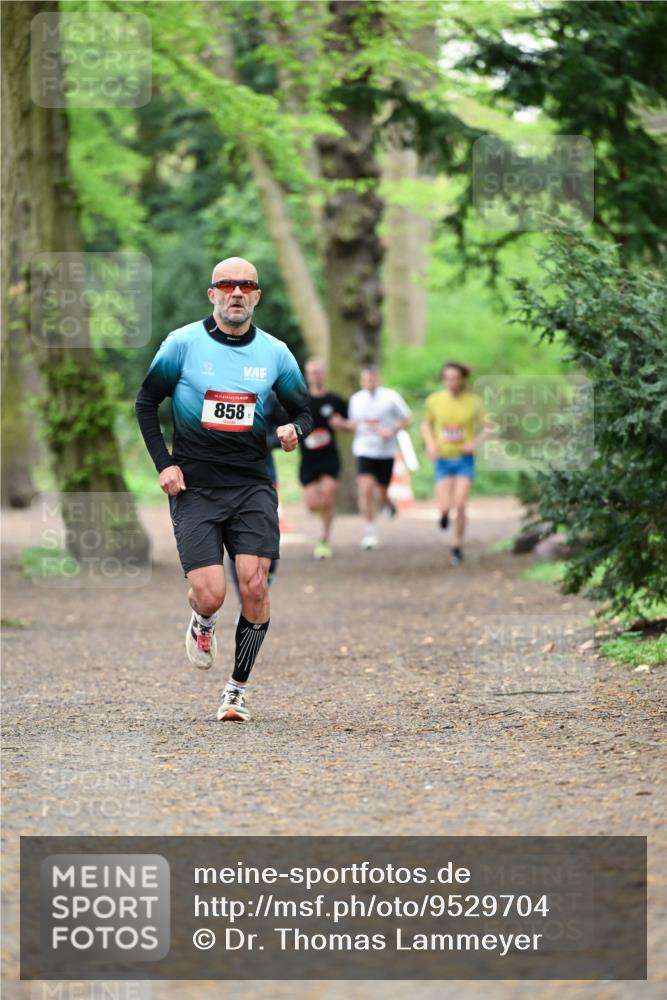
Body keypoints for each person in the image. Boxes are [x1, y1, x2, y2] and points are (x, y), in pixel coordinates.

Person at [135, 257, 312, 722]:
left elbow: (304, 410)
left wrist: (296, 428)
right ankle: (203, 620)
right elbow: (146, 402)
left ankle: (236, 690)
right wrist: (164, 464)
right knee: (211, 593)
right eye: (227, 285)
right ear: (212, 294)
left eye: (246, 285)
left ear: (256, 296)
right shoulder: (182, 344)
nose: (236, 293)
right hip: (194, 485)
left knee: (255, 585)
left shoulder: (275, 352)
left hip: (252, 484)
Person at [421, 360, 491, 565]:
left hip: (463, 459)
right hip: (442, 459)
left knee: (460, 504)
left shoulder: (474, 401)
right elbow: (426, 424)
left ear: (462, 379)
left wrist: (474, 443)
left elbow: (488, 426)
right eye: (448, 378)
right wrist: (431, 444)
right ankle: (443, 515)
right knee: (444, 506)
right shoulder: (434, 400)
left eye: (455, 378)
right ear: (443, 380)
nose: (452, 382)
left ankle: (457, 545)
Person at [337, 366, 411, 550]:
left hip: (385, 451)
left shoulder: (391, 397)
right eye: (366, 380)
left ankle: (388, 503)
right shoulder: (356, 400)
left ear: (379, 379)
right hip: (364, 450)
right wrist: (342, 424)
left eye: (373, 379)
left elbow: (407, 419)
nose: (370, 383)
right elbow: (355, 424)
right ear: (362, 381)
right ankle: (370, 531)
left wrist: (392, 429)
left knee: (381, 493)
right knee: (365, 489)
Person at [298, 358, 348, 559]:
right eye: (312, 372)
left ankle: (325, 538)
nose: (315, 376)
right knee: (312, 505)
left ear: (324, 374)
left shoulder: (335, 400)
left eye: (319, 372)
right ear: (307, 375)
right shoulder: (300, 401)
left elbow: (351, 422)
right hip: (308, 459)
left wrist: (341, 423)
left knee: (328, 498)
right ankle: (323, 523)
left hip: (329, 457)